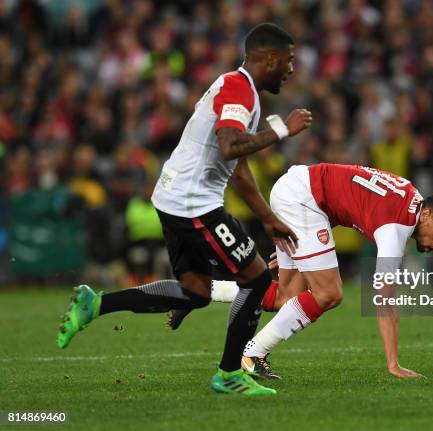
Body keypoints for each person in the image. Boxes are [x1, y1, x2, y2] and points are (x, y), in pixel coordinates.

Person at [56, 23, 313, 396]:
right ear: (269, 59)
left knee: (196, 292)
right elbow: (229, 146)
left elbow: (237, 169)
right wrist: (283, 130)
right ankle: (228, 374)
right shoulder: (239, 88)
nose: (291, 68)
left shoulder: (240, 91)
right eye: (288, 61)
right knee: (257, 279)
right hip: (194, 203)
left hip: (175, 198)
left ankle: (93, 304)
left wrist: (268, 218)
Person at [239, 163, 433, 381]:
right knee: (329, 293)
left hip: (297, 189)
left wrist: (305, 245)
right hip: (302, 199)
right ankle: (252, 353)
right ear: (426, 215)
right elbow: (385, 299)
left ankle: (209, 289)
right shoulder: (397, 227)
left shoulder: (411, 194)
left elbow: (348, 197)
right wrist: (393, 364)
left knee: (286, 298)